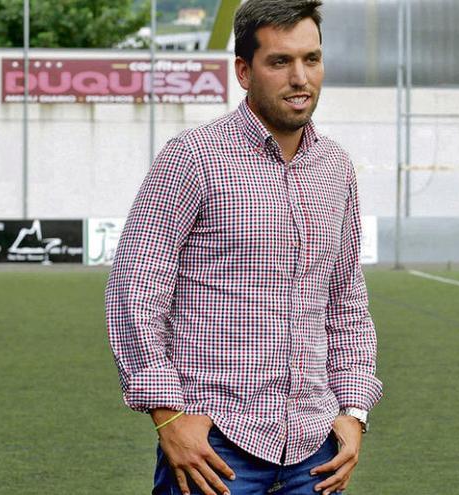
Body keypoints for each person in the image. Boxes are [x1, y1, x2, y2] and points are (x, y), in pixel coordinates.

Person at [105, 1, 382, 494]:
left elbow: (346, 301)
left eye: (311, 59)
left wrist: (354, 411)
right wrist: (170, 418)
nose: (300, 77)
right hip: (216, 448)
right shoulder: (193, 157)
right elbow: (136, 291)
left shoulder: (335, 168)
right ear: (243, 71)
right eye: (280, 62)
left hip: (316, 451)